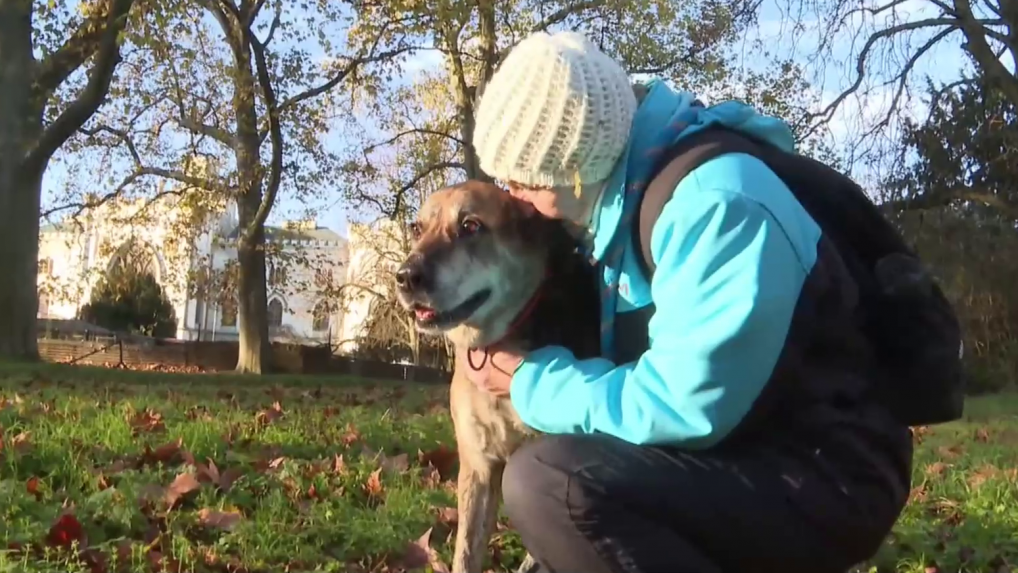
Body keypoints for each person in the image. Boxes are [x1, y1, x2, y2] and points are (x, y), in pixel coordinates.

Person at [463, 30, 915, 573]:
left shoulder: (716, 206)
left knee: (554, 486)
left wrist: (529, 382)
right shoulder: (621, 203)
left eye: (522, 180)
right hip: (753, 445)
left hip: (828, 476)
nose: (514, 199)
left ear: (575, 166)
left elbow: (683, 406)